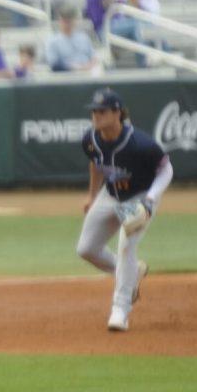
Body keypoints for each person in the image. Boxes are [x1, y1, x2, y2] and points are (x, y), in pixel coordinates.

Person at [76, 88, 173, 332]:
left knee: (127, 243)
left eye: (102, 111)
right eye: (94, 111)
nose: (96, 115)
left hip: (138, 197)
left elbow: (166, 170)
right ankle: (133, 273)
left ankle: (120, 310)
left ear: (117, 112)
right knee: (86, 249)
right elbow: (96, 164)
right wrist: (91, 195)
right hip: (110, 195)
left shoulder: (140, 143)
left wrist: (150, 200)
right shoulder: (91, 139)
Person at [45, 5, 97, 73]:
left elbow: (93, 57)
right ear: (60, 20)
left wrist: (90, 66)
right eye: (65, 20)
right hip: (67, 78)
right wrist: (77, 68)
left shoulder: (84, 38)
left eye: (70, 20)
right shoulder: (53, 41)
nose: (67, 23)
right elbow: (54, 64)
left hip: (87, 75)